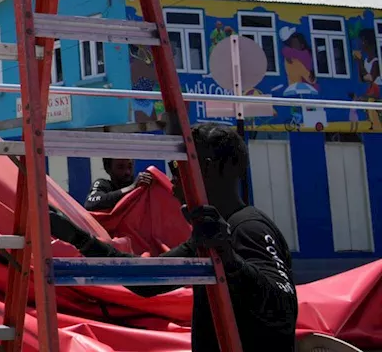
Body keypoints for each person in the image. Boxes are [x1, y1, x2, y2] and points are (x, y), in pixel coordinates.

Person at [49, 123, 297, 352]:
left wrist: (230, 261)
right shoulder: (208, 235)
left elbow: (283, 308)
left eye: (178, 165)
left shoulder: (247, 228)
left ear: (207, 168)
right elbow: (147, 280)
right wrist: (78, 238)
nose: (171, 179)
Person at [85, 157, 155, 211]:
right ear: (108, 168)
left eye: (130, 166)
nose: (127, 172)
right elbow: (90, 204)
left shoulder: (143, 185)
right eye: (120, 167)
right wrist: (131, 188)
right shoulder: (103, 184)